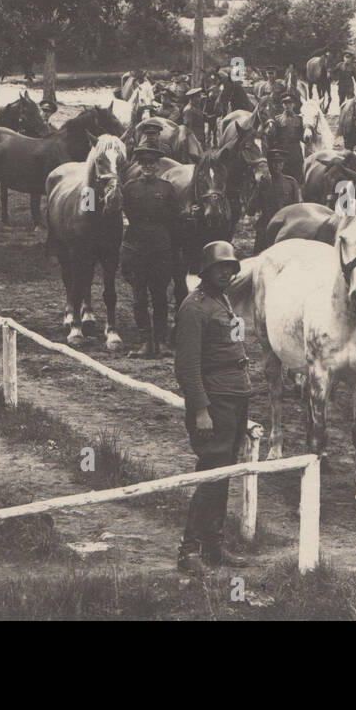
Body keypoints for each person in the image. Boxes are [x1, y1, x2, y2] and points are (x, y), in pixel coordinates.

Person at [174, 241, 252, 573]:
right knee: (210, 474)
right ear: (206, 270)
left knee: (224, 473)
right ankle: (189, 551)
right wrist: (201, 410)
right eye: (220, 267)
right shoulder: (194, 307)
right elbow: (187, 367)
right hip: (215, 402)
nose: (226, 272)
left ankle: (214, 545)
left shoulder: (223, 300)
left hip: (235, 397)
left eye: (230, 267)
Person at [120, 145, 179, 359]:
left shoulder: (167, 189)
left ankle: (161, 341)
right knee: (138, 297)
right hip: (136, 248)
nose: (148, 167)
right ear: (139, 165)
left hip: (160, 249)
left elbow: (175, 219)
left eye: (152, 163)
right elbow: (119, 215)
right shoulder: (129, 188)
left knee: (160, 296)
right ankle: (145, 340)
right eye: (144, 163)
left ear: (158, 166)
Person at [247, 148, 301, 255]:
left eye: (280, 163)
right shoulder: (263, 183)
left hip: (285, 227)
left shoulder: (291, 183)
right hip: (266, 227)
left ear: (283, 164)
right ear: (269, 165)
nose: (277, 166)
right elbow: (250, 210)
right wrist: (259, 188)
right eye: (273, 163)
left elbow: (298, 208)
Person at [263, 92, 305, 183]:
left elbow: (303, 138)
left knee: (298, 179)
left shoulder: (300, 120)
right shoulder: (277, 120)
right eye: (285, 103)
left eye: (289, 103)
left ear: (294, 104)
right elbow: (272, 137)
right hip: (282, 155)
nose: (287, 105)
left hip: (296, 154)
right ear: (282, 105)